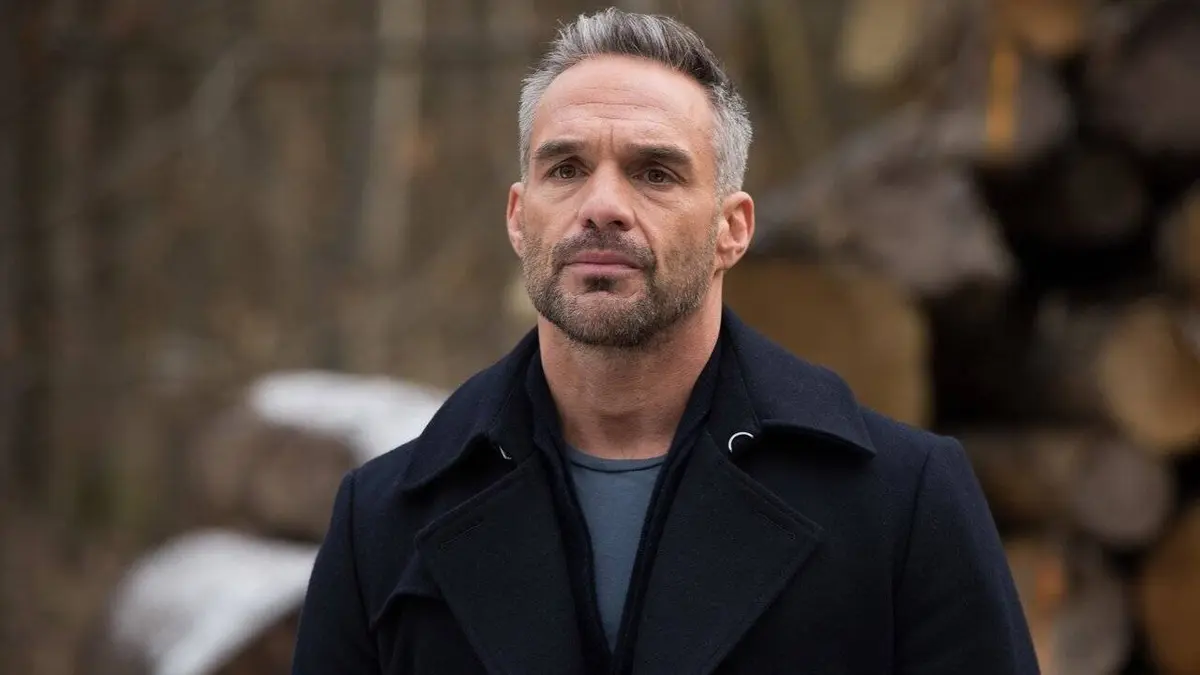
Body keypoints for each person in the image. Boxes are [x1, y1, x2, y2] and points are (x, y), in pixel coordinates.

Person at [291, 8, 1040, 675]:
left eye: (654, 172)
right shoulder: (382, 519)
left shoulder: (903, 502)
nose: (602, 205)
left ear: (731, 229)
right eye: (566, 168)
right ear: (519, 217)